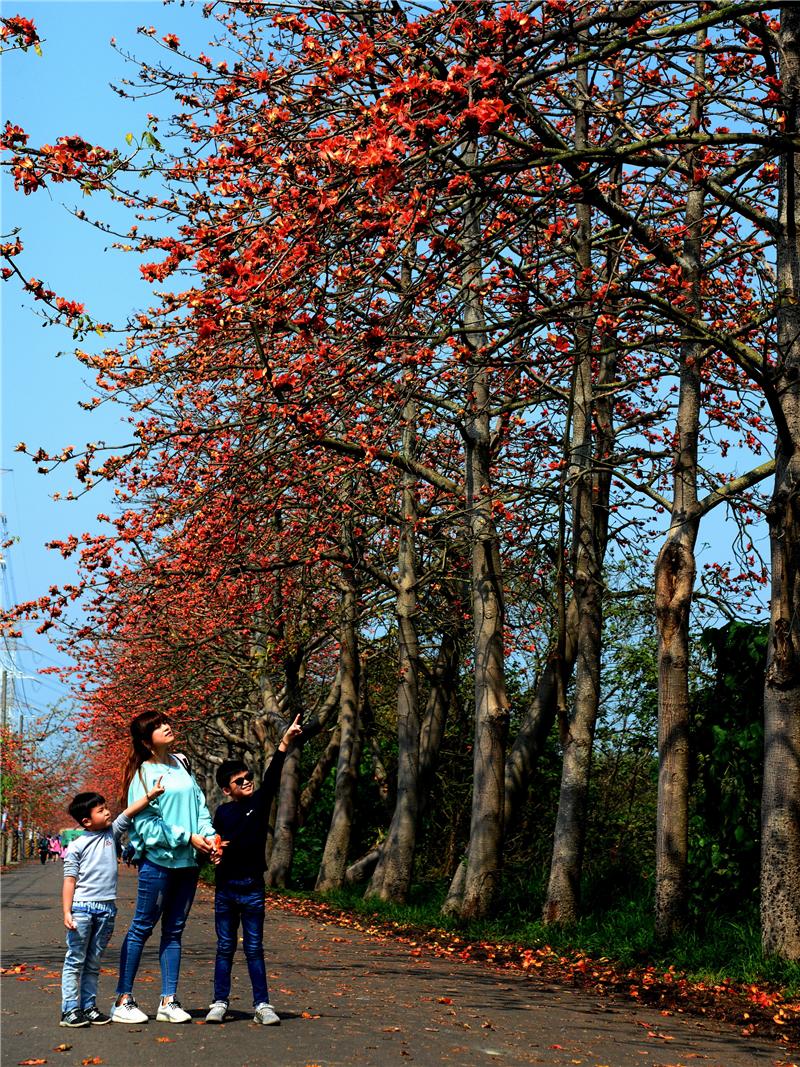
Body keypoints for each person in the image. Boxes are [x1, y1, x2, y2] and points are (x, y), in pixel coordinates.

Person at [111, 711, 218, 1025]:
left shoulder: (182, 766)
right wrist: (189, 837)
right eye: (157, 726)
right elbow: (146, 826)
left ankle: (168, 1000)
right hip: (157, 864)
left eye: (165, 721)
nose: (166, 726)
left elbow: (199, 808)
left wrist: (209, 838)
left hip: (188, 863)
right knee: (142, 927)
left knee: (174, 931)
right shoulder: (143, 775)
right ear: (146, 741)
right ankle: (123, 999)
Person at [204, 714, 303, 1026]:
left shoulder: (259, 803)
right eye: (239, 781)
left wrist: (285, 741)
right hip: (225, 889)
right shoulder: (221, 812)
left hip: (252, 888)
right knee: (224, 947)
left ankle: (262, 1004)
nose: (247, 782)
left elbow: (273, 774)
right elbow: (216, 843)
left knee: (255, 948)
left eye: (248, 777)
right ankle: (219, 1001)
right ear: (226, 789)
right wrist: (215, 853)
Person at [60, 781, 165, 1028]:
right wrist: (67, 911)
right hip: (82, 909)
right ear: (86, 821)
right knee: (75, 959)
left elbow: (129, 812)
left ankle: (89, 1006)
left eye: (106, 808)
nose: (108, 812)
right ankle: (69, 1010)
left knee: (94, 961)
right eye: (101, 810)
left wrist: (150, 795)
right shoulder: (77, 846)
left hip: (106, 910)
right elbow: (69, 880)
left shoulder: (112, 833)